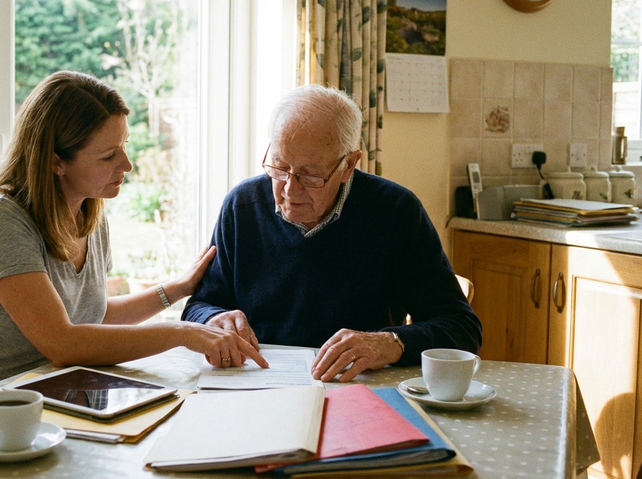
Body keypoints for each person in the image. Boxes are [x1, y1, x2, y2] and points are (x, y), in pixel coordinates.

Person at [0, 71, 266, 406]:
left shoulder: (89, 214)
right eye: (108, 155)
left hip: (40, 398)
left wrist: (175, 289)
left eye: (123, 146)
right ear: (56, 162)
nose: (126, 165)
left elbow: (91, 317)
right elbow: (64, 343)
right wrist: (182, 333)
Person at [182, 84, 481, 383]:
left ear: (348, 165)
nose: (289, 189)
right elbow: (197, 307)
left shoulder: (395, 211)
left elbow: (462, 327)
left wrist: (389, 343)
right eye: (280, 166)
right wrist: (212, 319)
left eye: (310, 175)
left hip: (356, 388)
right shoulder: (242, 206)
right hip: (257, 384)